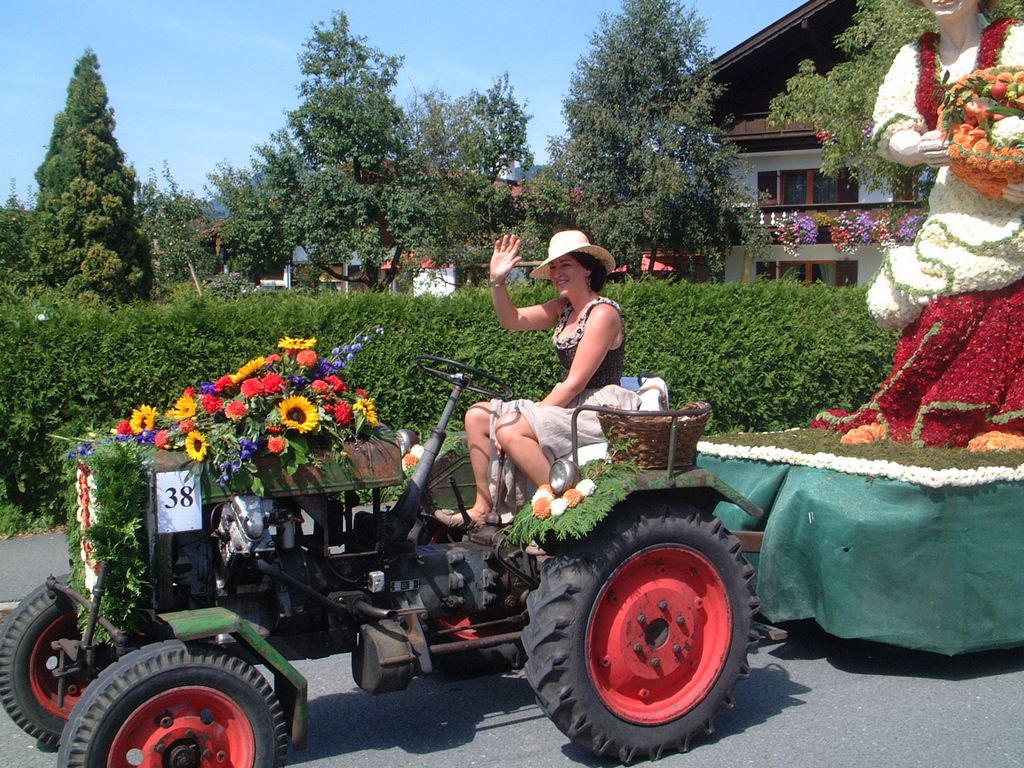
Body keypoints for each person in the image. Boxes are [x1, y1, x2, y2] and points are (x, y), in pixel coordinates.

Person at [814, 0, 1024, 447]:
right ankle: (901, 413)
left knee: (1007, 309)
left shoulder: (1015, 40)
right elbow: (891, 127)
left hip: (1012, 206)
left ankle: (1008, 423)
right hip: (951, 207)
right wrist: (914, 146)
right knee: (938, 311)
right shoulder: (914, 56)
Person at [439, 230, 641, 530]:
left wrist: (529, 415)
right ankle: (482, 508)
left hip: (601, 408)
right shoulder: (563, 308)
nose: (557, 273)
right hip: (572, 400)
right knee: (477, 416)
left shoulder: (603, 314)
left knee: (510, 429)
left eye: (566, 265)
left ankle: (558, 512)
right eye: (554, 267)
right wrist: (498, 280)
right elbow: (512, 319)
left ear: (587, 269)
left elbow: (575, 383)